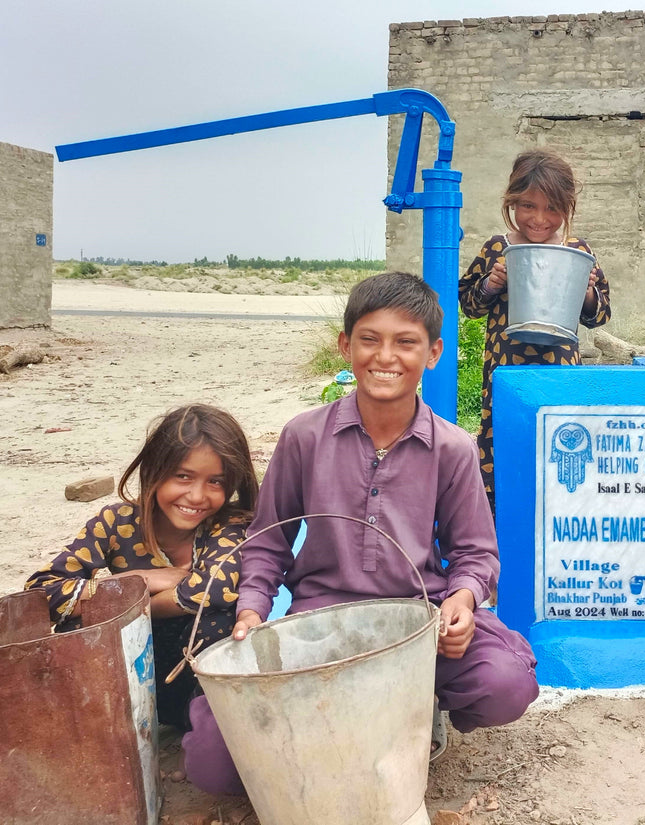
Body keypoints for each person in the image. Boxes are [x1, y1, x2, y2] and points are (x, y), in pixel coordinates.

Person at [183, 271, 540, 796]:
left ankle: (421, 707)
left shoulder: (453, 448)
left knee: (505, 685)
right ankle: (337, 728)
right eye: (370, 339)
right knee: (214, 764)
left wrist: (463, 599)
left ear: (434, 353)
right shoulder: (304, 435)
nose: (386, 357)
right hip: (320, 620)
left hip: (420, 622)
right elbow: (267, 542)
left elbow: (475, 552)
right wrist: (253, 609)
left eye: (406, 343)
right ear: (345, 345)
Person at [25, 404, 259, 730]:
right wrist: (142, 579)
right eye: (183, 476)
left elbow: (211, 590)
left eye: (215, 482)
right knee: (72, 630)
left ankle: (206, 736)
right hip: (127, 685)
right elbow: (40, 594)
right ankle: (110, 732)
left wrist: (113, 608)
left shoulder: (230, 524)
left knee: (218, 621)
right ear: (154, 471)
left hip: (195, 682)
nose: (196, 495)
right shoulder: (116, 523)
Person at [459, 148, 611, 511]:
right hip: (504, 374)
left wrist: (586, 291)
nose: (540, 219)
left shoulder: (577, 251)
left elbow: (599, 315)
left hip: (560, 374)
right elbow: (469, 305)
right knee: (503, 449)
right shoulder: (499, 248)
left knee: (558, 448)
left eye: (552, 209)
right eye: (528, 206)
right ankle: (498, 528)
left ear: (567, 208)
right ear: (512, 201)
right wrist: (491, 284)